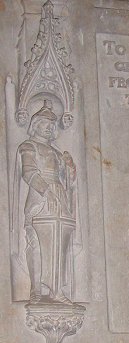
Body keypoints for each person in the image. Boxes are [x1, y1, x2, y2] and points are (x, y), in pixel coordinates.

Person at [14, 100, 78, 304]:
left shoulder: (58, 153)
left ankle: (57, 290)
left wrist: (69, 167)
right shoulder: (28, 146)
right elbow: (29, 172)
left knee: (61, 244)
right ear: (35, 124)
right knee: (37, 243)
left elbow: (68, 181)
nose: (50, 127)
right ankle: (36, 288)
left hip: (60, 197)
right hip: (40, 197)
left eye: (52, 124)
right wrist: (46, 192)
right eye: (45, 123)